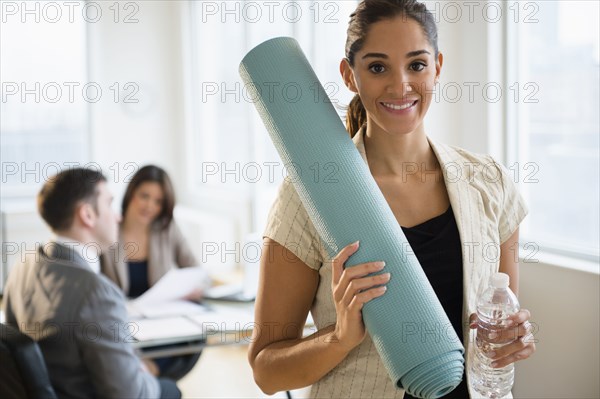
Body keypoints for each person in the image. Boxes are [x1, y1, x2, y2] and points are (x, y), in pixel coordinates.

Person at [248, 1, 536, 398]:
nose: (400, 85)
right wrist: (340, 338)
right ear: (350, 75)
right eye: (378, 67)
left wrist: (510, 336)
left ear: (437, 67)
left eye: (416, 65)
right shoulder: (308, 197)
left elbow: (497, 320)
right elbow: (266, 371)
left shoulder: (489, 183)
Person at [2, 168, 181, 398]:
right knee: (169, 389)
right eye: (109, 204)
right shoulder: (96, 293)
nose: (117, 216)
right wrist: (144, 374)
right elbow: (130, 395)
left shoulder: (24, 264)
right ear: (87, 215)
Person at [101, 164, 202, 380]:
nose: (150, 206)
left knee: (197, 336)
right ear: (131, 194)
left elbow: (194, 269)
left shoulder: (166, 229)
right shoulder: (109, 228)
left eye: (158, 201)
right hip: (121, 320)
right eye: (144, 196)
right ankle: (150, 381)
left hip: (158, 317)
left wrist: (189, 288)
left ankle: (149, 374)